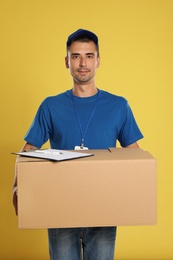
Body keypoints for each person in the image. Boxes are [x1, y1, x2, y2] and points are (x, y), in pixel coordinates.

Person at [13, 29, 143, 260]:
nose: (82, 63)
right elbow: (28, 152)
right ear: (67, 62)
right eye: (76, 56)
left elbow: (135, 156)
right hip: (60, 211)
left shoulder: (119, 105)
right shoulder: (50, 106)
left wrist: (134, 195)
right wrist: (17, 188)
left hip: (103, 210)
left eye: (89, 56)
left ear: (98, 61)